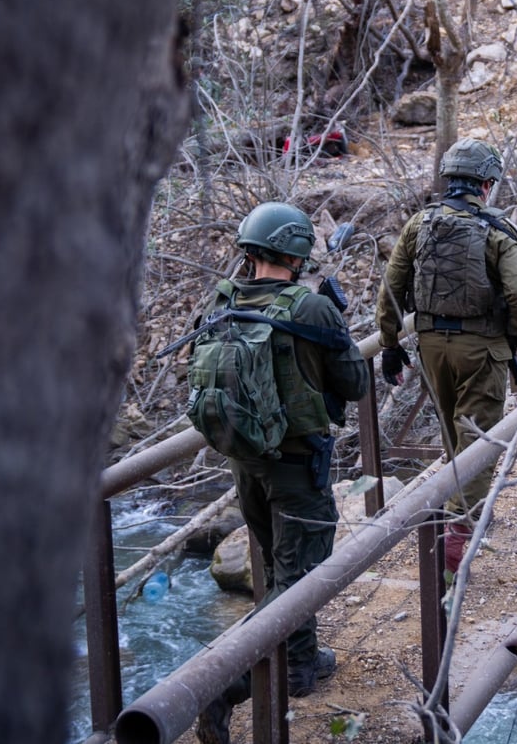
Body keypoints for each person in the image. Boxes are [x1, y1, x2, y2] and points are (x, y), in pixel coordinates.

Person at [195, 202, 369, 744]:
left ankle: (300, 665)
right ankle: (223, 683)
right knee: (298, 583)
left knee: (278, 568)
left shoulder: (222, 302)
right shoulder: (311, 308)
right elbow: (355, 385)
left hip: (246, 461)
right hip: (298, 466)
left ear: (250, 251)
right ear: (297, 254)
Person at [375, 137, 517, 576]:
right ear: (486, 184)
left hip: (430, 345)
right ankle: (459, 540)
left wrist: (390, 345)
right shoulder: (497, 230)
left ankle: (457, 513)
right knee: (479, 438)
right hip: (482, 347)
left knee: (452, 429)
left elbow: (390, 288)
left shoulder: (419, 224)